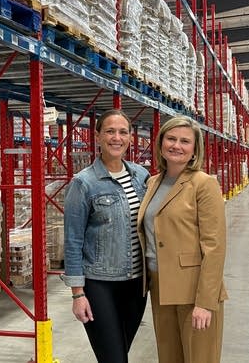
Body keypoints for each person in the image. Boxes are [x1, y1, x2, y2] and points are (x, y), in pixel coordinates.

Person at [63, 109, 150, 363]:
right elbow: (73, 241)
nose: (117, 137)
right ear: (97, 136)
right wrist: (78, 294)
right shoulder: (83, 183)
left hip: (136, 285)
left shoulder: (141, 176)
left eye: (123, 132)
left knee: (119, 352)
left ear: (131, 138)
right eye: (110, 131)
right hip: (99, 283)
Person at [138, 115, 227, 363]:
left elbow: (215, 247)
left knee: (200, 357)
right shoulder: (153, 182)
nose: (176, 145)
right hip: (160, 286)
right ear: (160, 143)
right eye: (171, 138)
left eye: (185, 141)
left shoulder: (204, 184)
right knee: (168, 357)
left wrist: (205, 302)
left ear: (194, 149)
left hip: (193, 289)